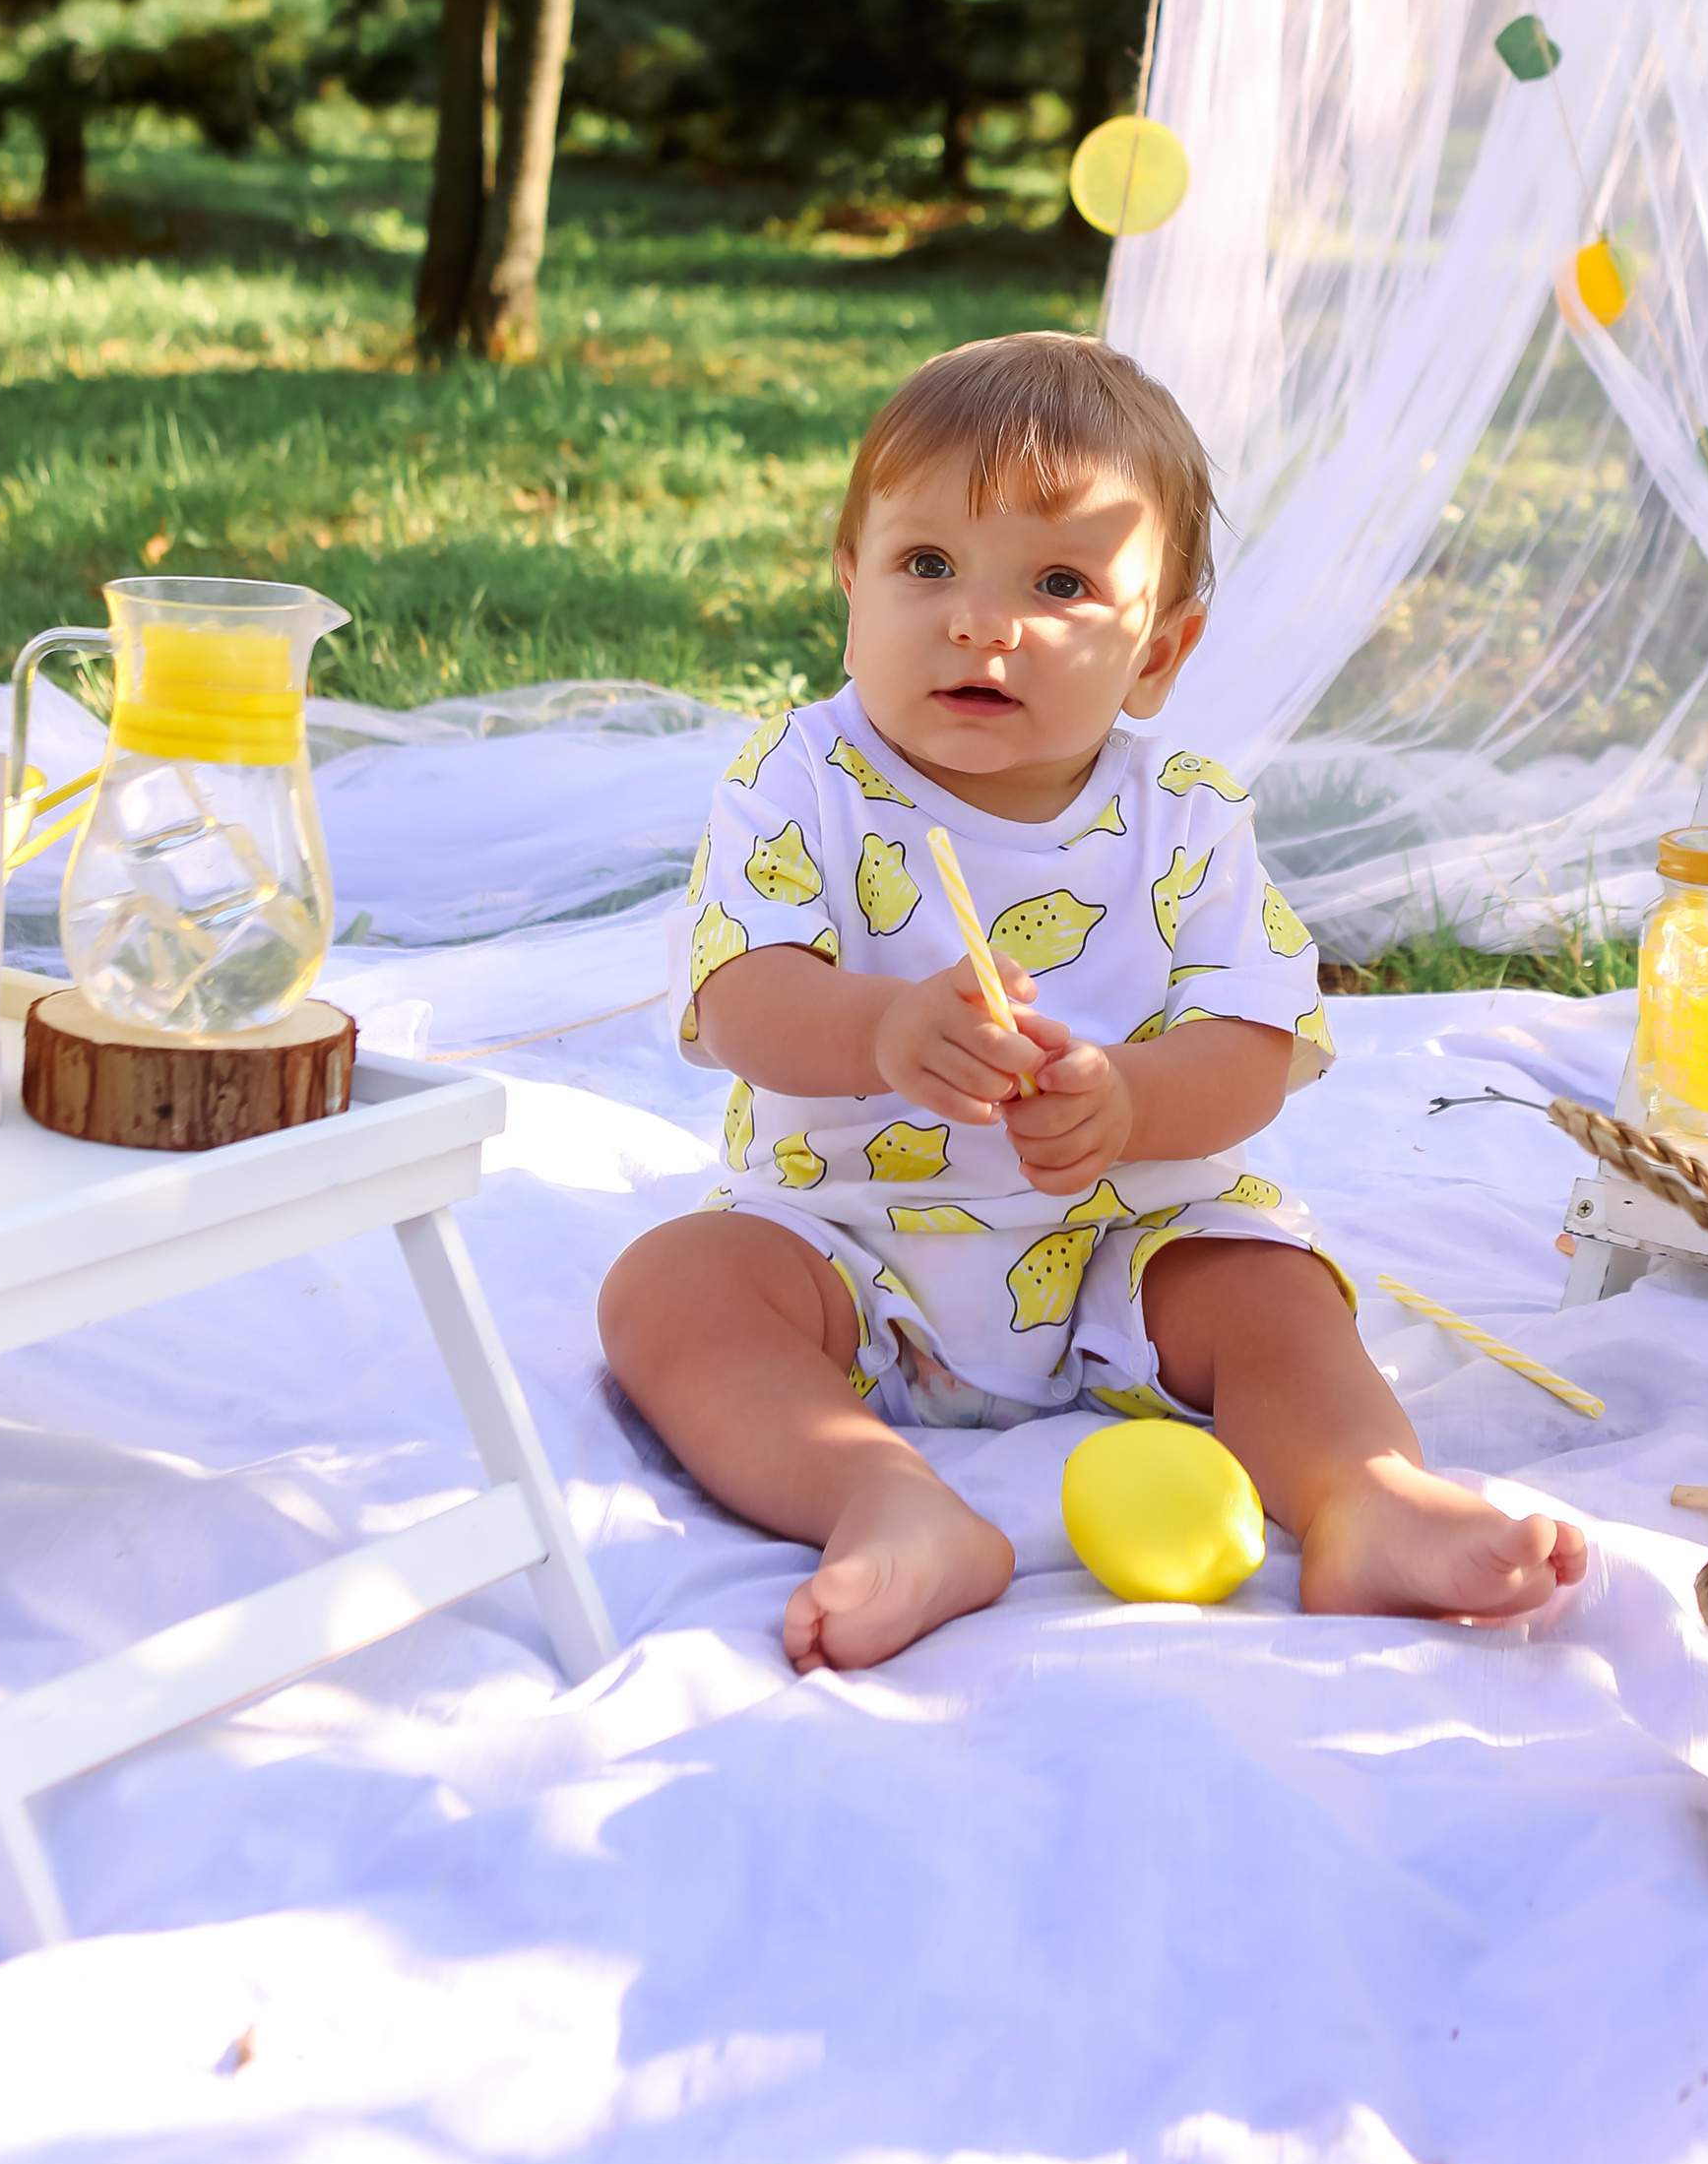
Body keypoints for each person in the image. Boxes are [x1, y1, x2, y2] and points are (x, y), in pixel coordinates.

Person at [600, 331, 1585, 1674]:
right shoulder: (803, 777)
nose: (978, 622)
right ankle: (884, 1501)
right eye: (926, 564)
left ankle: (1366, 1497)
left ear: (1158, 655)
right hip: (848, 1241)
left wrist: (1130, 1104)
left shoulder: (1180, 819)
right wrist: (881, 1031)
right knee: (674, 1289)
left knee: (1275, 1294)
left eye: (1059, 583)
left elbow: (1251, 1047)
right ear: (850, 582)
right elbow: (737, 999)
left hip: (1128, 1237)